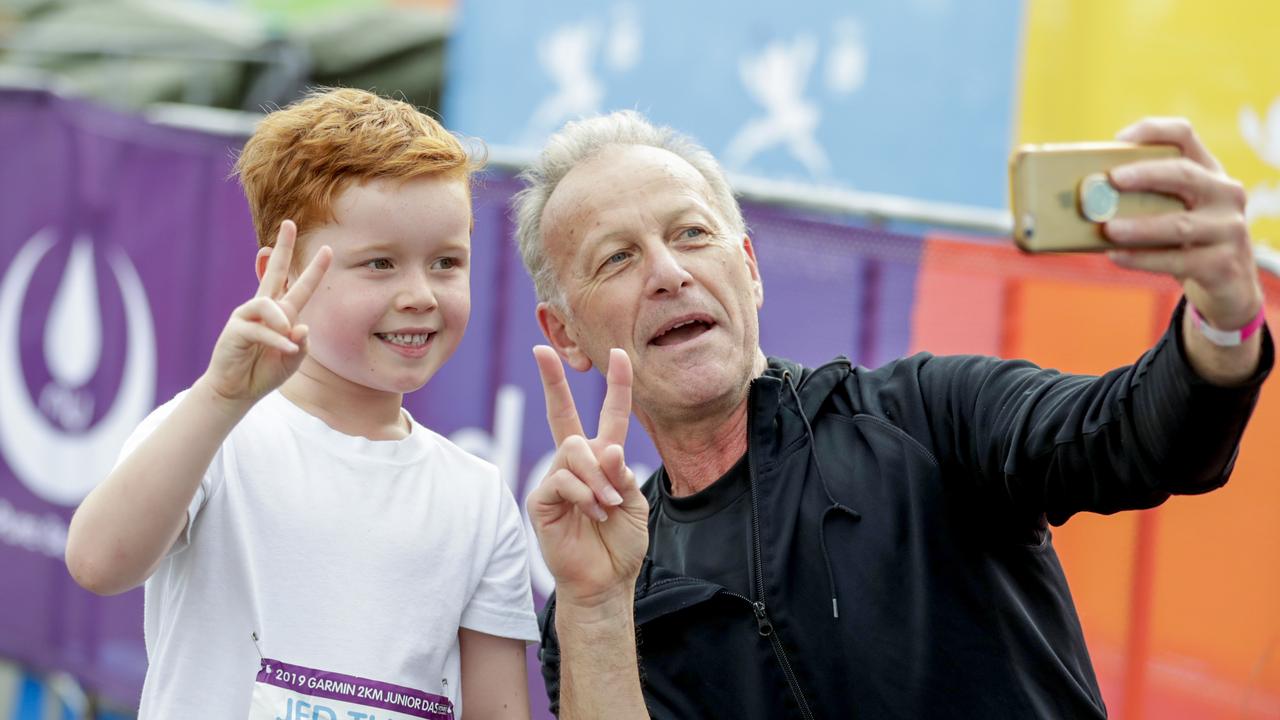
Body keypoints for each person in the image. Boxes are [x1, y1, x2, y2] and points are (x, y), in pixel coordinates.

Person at [514, 110, 1272, 718]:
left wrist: (1225, 317)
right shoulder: (596, 596)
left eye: (691, 234)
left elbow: (1136, 438)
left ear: (748, 268)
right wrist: (594, 607)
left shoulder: (924, 416)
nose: (670, 274)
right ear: (565, 334)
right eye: (619, 258)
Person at [64, 88, 538, 719]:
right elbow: (98, 563)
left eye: (447, 262)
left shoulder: (481, 498)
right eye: (380, 264)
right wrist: (219, 397)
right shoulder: (213, 432)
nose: (420, 294)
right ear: (281, 277)